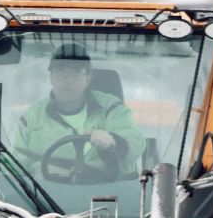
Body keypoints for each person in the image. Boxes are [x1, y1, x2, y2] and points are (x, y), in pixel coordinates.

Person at [12, 43, 144, 180]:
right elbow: (15, 165)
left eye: (75, 73)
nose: (67, 80)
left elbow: (135, 140)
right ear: (51, 78)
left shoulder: (111, 108)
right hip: (45, 195)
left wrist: (113, 141)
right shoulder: (32, 117)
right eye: (61, 73)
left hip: (107, 194)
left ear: (87, 79)